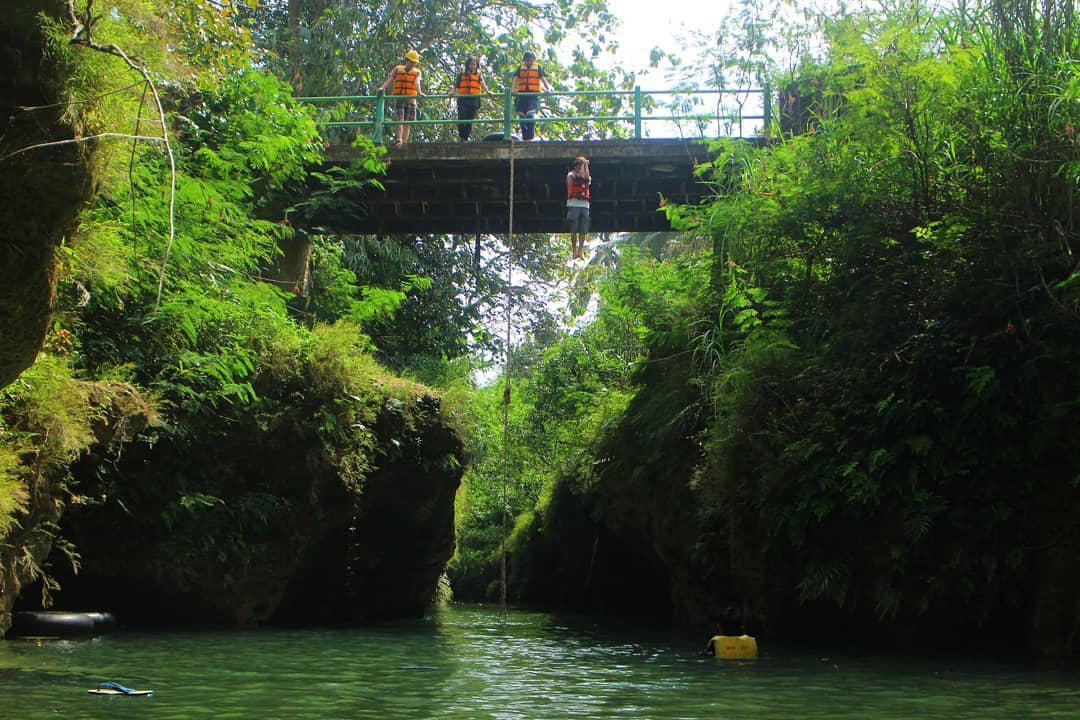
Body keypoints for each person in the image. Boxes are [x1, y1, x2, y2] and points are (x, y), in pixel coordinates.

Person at [378, 50, 423, 147]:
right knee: (400, 120)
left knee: (407, 123)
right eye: (411, 62)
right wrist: (382, 88)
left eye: (414, 63)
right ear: (407, 60)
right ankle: (399, 139)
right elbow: (390, 79)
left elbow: (416, 82)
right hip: (400, 98)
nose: (412, 64)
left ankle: (405, 141)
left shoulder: (417, 72)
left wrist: (419, 92)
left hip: (411, 100)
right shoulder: (398, 69)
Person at [510, 51, 553, 141]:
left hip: (533, 95)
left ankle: (530, 136)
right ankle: (525, 137)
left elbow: (542, 78)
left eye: (530, 60)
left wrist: (547, 88)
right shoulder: (521, 68)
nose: (529, 62)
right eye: (527, 60)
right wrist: (513, 90)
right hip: (522, 95)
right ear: (524, 60)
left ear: (533, 60)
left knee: (530, 115)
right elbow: (515, 78)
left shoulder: (537, 68)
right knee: (522, 116)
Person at [453, 56, 489, 142]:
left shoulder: (478, 74)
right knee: (461, 117)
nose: (472, 66)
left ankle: (465, 138)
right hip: (463, 98)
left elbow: (482, 83)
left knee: (470, 119)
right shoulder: (461, 74)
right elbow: (456, 85)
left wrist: (488, 91)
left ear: (476, 66)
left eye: (474, 64)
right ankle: (462, 136)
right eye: (471, 64)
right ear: (468, 65)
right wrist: (452, 92)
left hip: (474, 99)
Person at [566, 156, 591, 260]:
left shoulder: (588, 178)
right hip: (573, 204)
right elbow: (578, 177)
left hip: (585, 205)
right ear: (576, 166)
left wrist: (585, 164)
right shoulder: (571, 175)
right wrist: (583, 163)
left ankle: (580, 251)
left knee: (583, 230)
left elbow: (585, 177)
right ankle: (574, 251)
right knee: (574, 229)